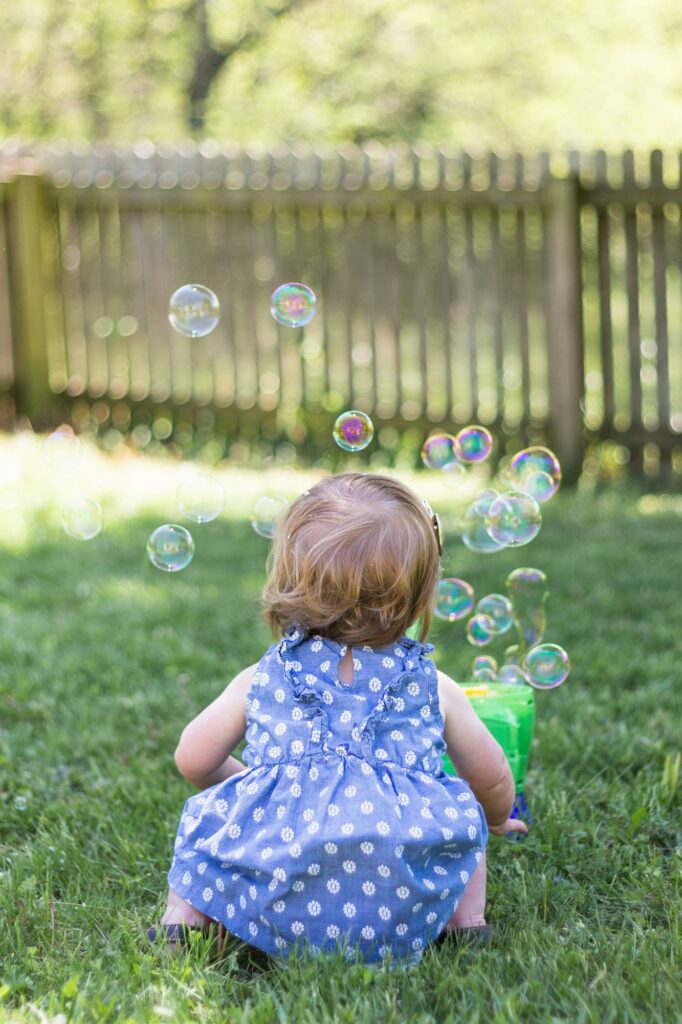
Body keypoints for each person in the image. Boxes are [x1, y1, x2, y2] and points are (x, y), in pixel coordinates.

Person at [147, 472, 528, 967]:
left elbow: (192, 758)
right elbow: (491, 774)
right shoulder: (432, 684)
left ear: (289, 580)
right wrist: (495, 818)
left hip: (276, 882)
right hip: (399, 891)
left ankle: (184, 921)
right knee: (462, 816)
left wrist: (257, 786)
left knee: (208, 822)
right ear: (417, 594)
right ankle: (465, 925)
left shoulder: (264, 676)